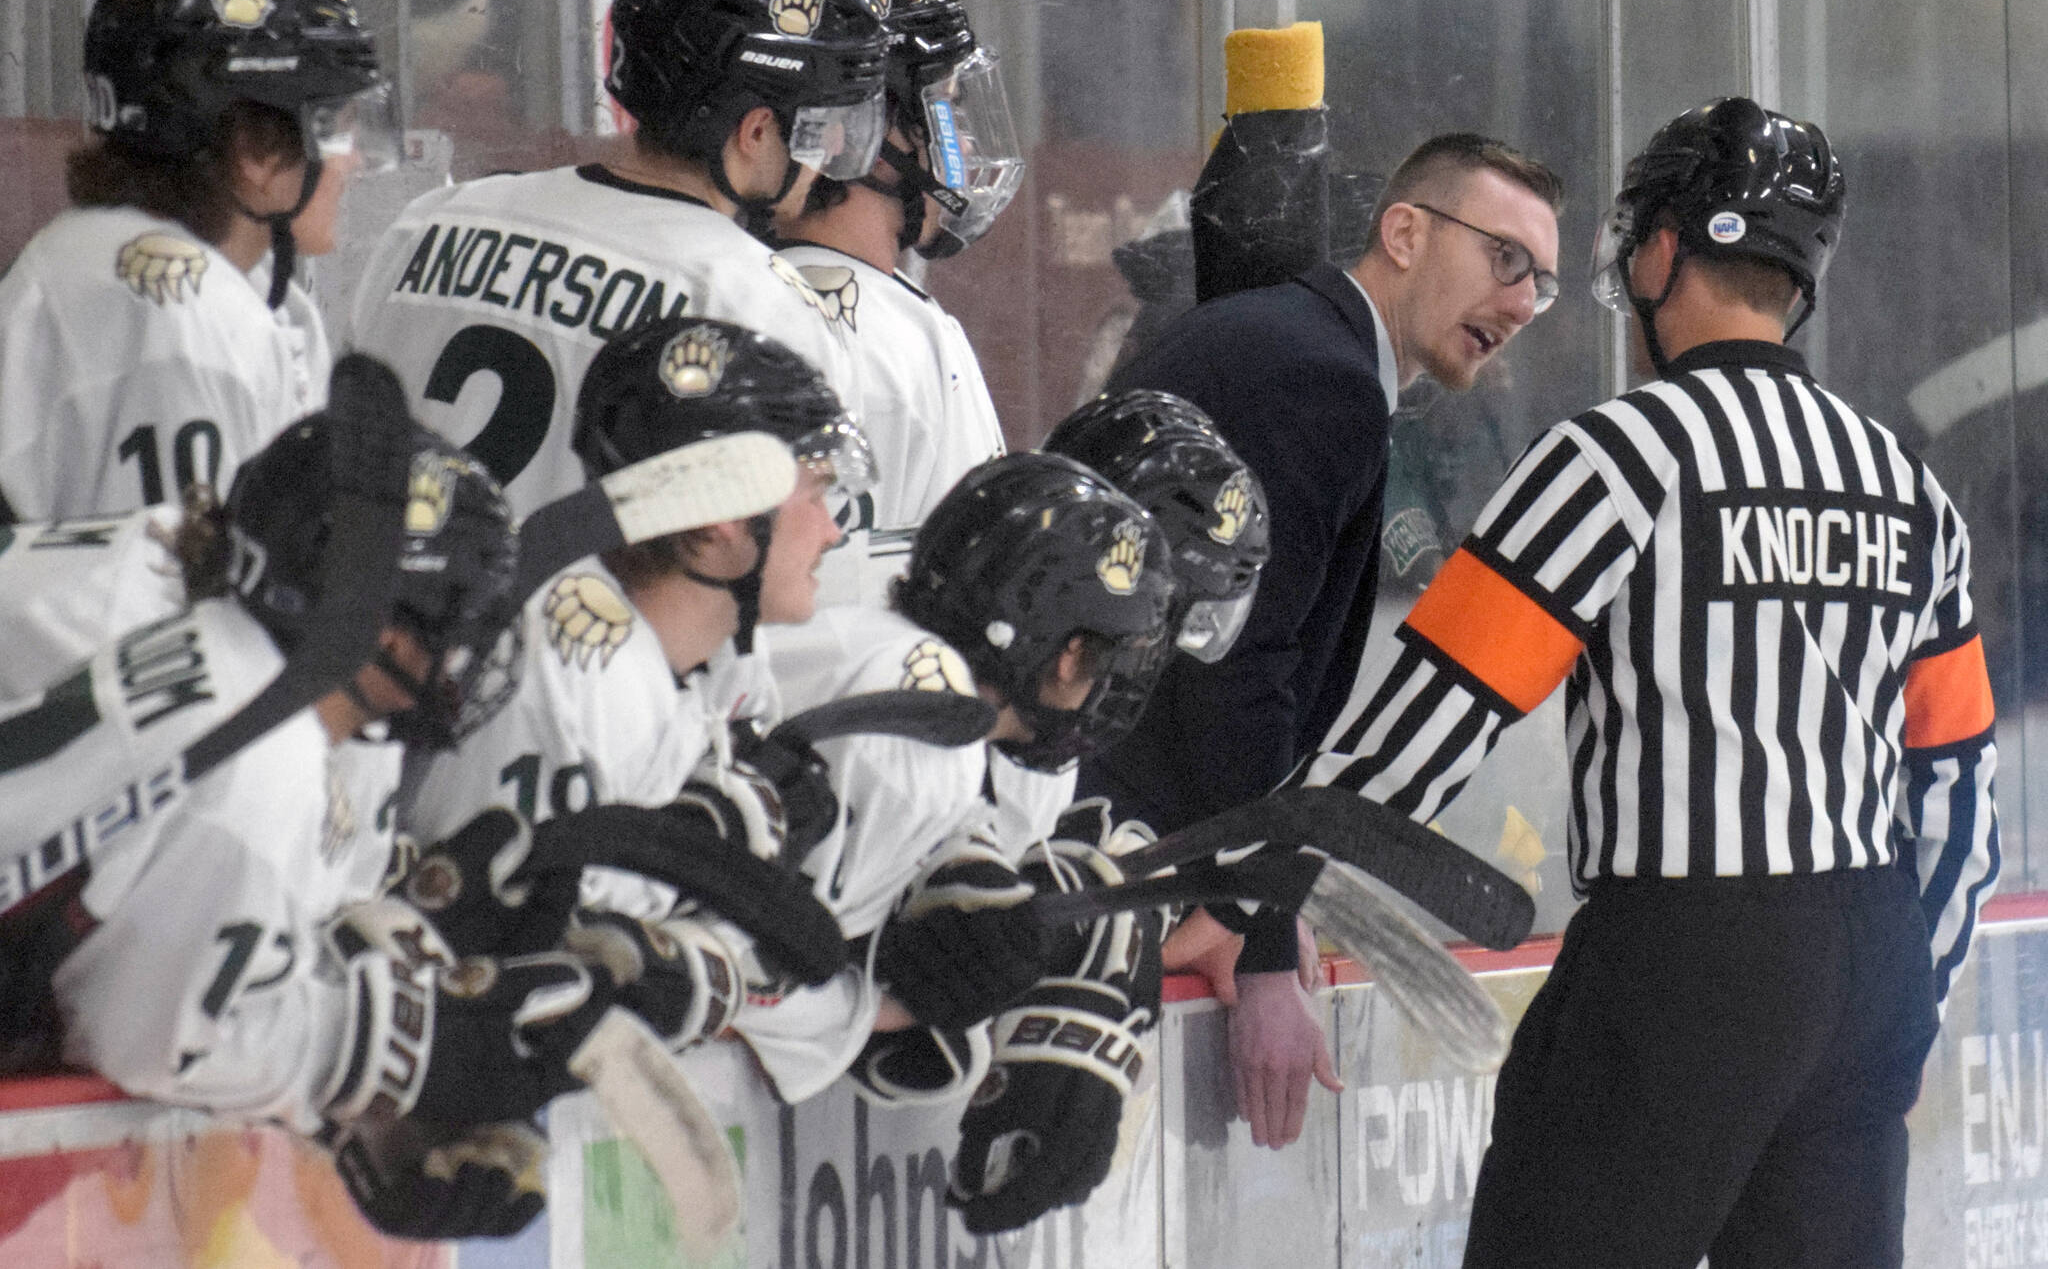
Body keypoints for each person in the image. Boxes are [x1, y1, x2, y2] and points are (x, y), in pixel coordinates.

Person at [1299, 97, 1999, 1268]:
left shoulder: (1616, 453)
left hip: (1685, 957)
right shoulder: (1900, 484)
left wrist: (1263, 893)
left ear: (1662, 252)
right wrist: (1898, 988)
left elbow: (1430, 718)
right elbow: (1958, 788)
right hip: (1870, 961)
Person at [0, 359, 610, 1239]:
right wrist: (395, 1054)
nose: (468, 658)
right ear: (388, 628)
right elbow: (145, 1041)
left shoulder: (220, 649)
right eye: (460, 621)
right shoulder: (261, 765)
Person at [1098, 132, 1564, 1148]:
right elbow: (1238, 668)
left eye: (1542, 282)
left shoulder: (1297, 348)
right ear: (1402, 231)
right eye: (1504, 259)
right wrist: (1260, 943)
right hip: (1107, 837)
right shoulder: (1317, 375)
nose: (1523, 304)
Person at [396, 316, 873, 1068]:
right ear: (723, 514)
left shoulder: (689, 666)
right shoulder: (574, 663)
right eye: (813, 492)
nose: (832, 530)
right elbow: (490, 958)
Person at [343, 0, 889, 523]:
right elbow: (788, 551)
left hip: (400, 612)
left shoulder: (428, 224)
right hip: (603, 619)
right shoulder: (758, 305)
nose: (831, 149)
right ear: (756, 132)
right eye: (820, 123)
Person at [730, 452, 1175, 1104]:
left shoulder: (904, 664)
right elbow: (733, 977)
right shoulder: (932, 731)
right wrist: (882, 1012)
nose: (1102, 687)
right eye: (1104, 657)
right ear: (1067, 653)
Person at [0, 0, 388, 523]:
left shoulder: (85, 253)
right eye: (334, 127)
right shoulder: (187, 330)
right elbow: (168, 598)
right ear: (254, 151)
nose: (353, 161)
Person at [771, 0, 1017, 603]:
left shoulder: (721, 287)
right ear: (860, 129)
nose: (963, 148)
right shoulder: (918, 345)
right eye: (946, 111)